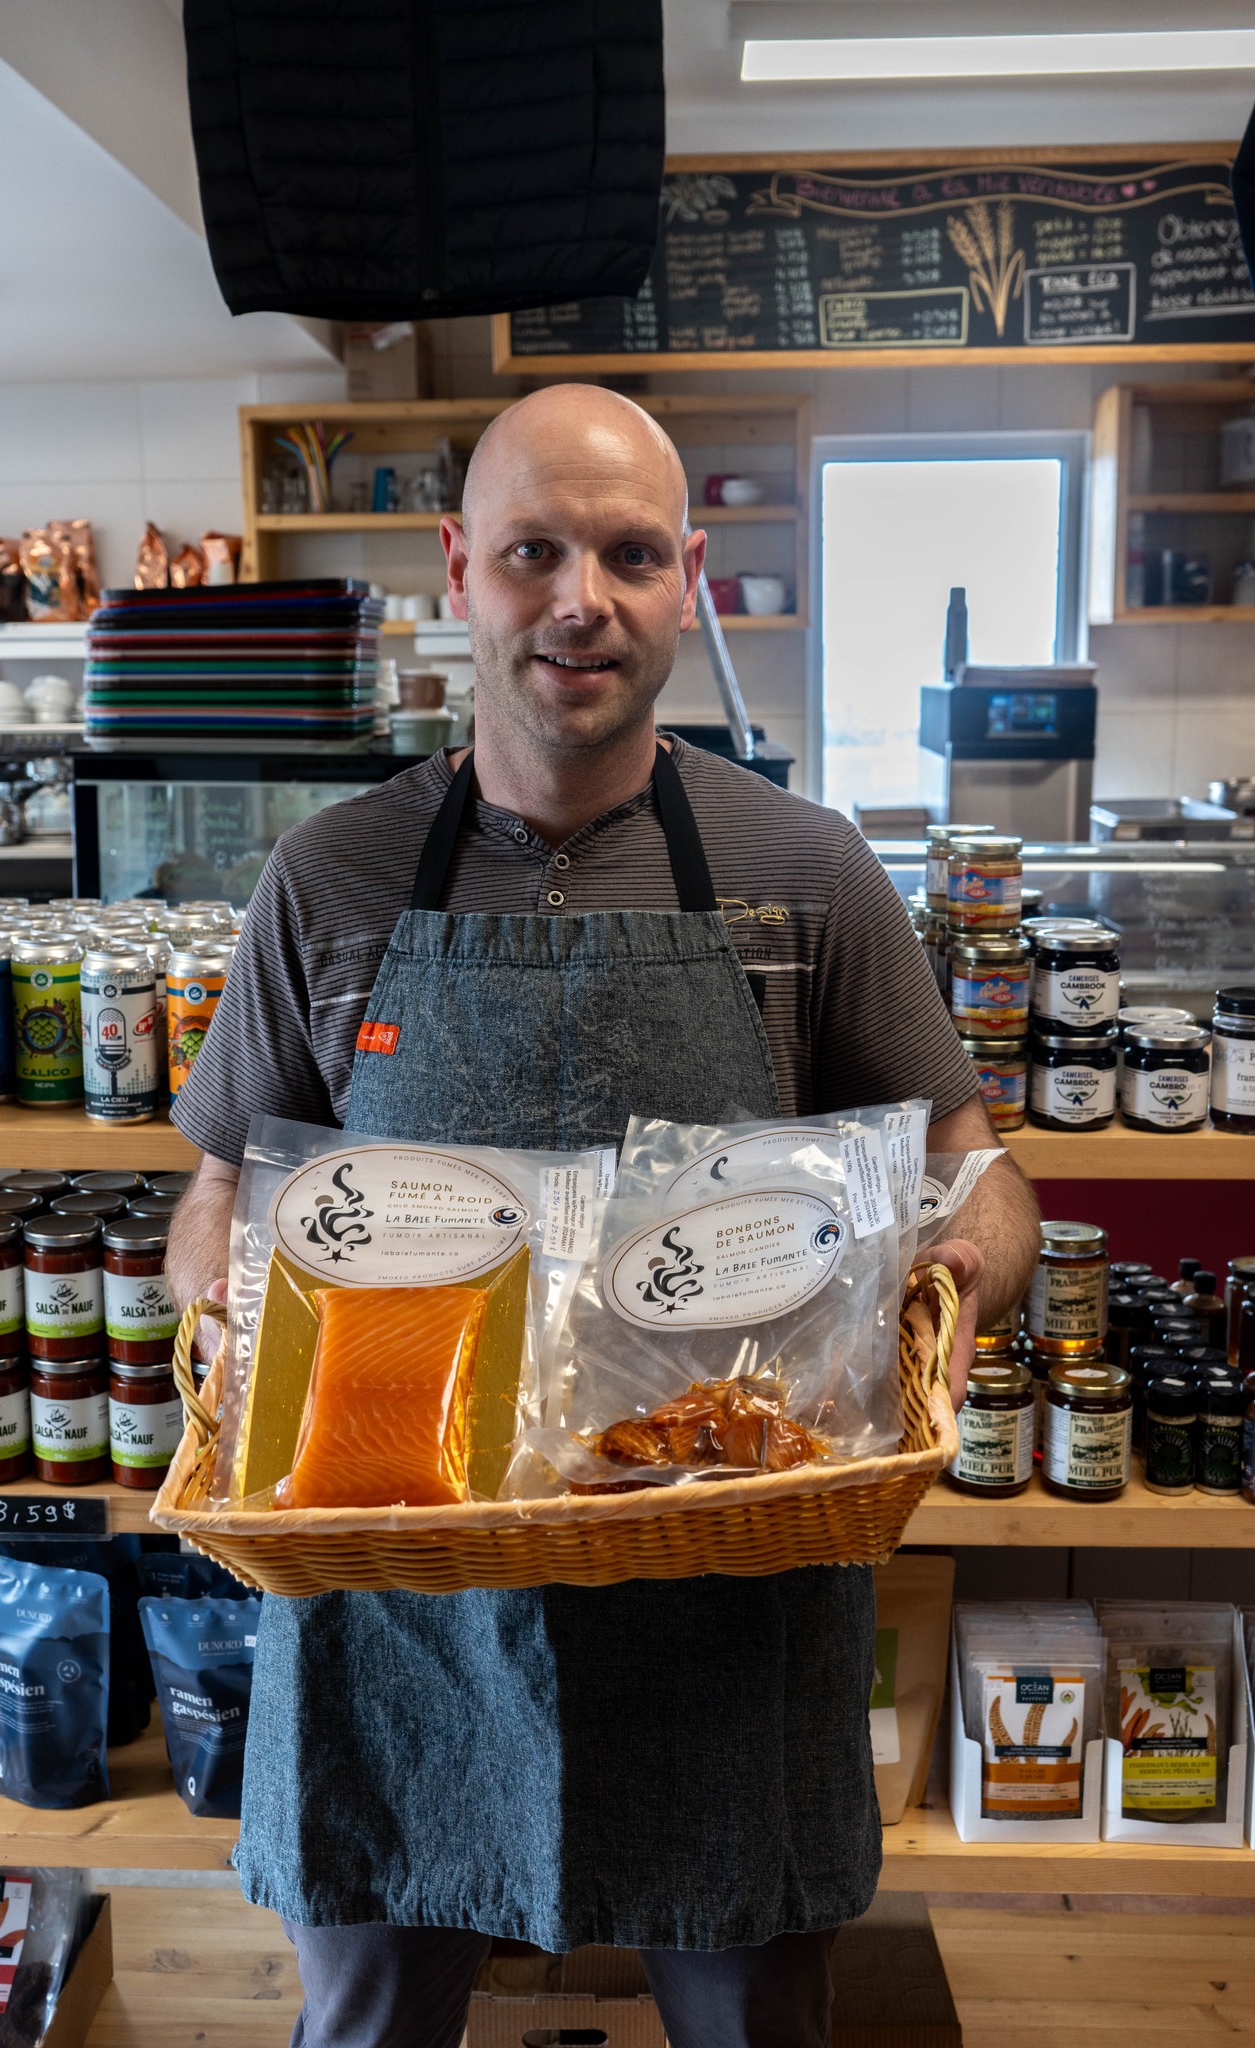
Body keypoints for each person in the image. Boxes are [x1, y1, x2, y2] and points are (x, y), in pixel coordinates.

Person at [167, 384, 1041, 2048]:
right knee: (362, 2021)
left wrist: (948, 1277)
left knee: (756, 2020)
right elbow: (219, 1189)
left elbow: (974, 1164)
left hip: (729, 1569)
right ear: (459, 571)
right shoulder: (333, 876)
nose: (583, 597)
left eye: (631, 555)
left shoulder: (809, 870)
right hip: (388, 1583)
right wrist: (227, 1320)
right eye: (533, 552)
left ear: (686, 574)